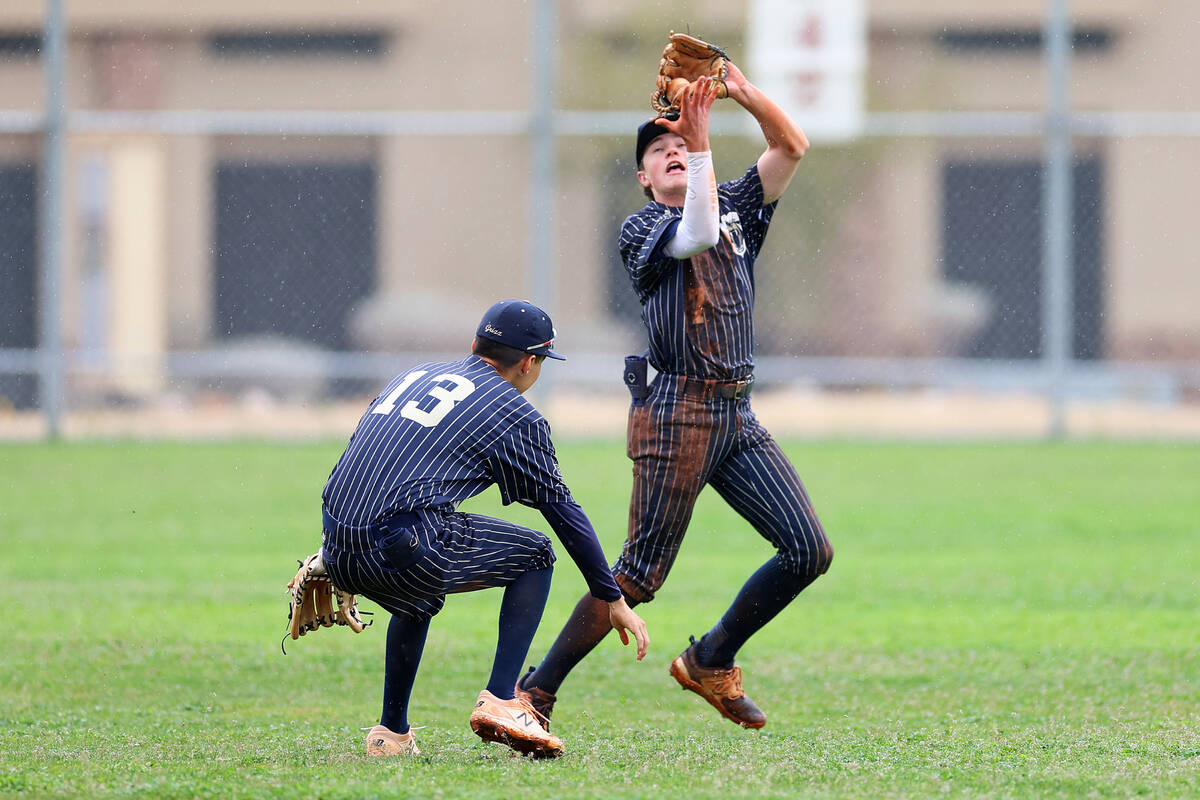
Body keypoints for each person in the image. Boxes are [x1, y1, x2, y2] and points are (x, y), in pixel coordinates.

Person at [517, 68, 832, 730]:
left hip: (736, 413)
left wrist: (742, 96)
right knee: (638, 575)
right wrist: (700, 141)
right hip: (677, 413)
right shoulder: (644, 228)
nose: (673, 153)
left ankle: (710, 659)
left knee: (809, 550)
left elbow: (792, 146)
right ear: (644, 178)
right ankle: (533, 694)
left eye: (678, 145)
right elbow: (698, 232)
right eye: (660, 153)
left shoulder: (738, 205)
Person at [319, 299, 649, 759]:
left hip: (334, 540)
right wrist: (611, 597)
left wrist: (339, 549)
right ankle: (501, 699)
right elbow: (561, 510)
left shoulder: (413, 375)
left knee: (419, 594)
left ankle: (390, 734)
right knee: (535, 554)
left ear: (476, 344)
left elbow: (363, 459)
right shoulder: (512, 411)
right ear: (531, 362)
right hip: (397, 542)